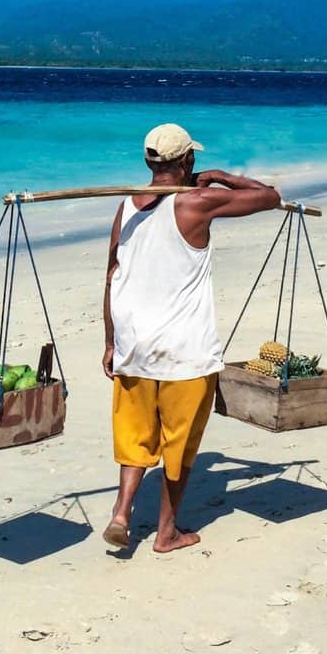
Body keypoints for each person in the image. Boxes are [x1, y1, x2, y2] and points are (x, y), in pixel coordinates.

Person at [102, 123, 281, 553]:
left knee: (136, 438)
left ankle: (122, 512)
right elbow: (269, 196)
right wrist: (222, 176)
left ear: (148, 162)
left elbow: (111, 274)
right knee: (178, 449)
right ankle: (166, 533)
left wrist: (110, 341)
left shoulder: (126, 207)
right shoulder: (198, 202)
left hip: (134, 345)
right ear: (188, 161)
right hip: (185, 351)